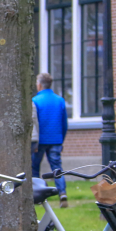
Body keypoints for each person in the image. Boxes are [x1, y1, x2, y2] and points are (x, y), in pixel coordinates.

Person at [32, 72, 69, 207]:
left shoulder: (35, 101)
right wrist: (61, 139)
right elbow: (64, 123)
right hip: (56, 139)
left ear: (40, 85)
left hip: (40, 141)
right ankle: (62, 193)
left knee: (35, 168)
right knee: (57, 168)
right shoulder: (60, 100)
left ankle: (37, 195)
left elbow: (34, 123)